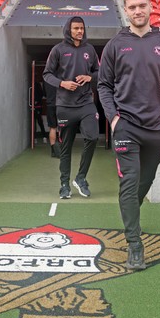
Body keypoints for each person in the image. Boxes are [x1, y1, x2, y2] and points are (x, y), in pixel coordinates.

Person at [98, 0, 160, 270]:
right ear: (126, 10)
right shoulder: (115, 45)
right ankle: (135, 245)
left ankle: (129, 216)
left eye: (141, 5)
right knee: (129, 184)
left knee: (141, 187)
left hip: (157, 130)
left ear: (150, 6)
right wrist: (114, 119)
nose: (137, 11)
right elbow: (103, 85)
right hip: (127, 127)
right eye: (132, 7)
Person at [43, 16, 99, 199]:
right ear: (68, 29)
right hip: (65, 106)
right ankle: (64, 185)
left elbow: (99, 72)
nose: (79, 31)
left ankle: (81, 178)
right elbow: (47, 74)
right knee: (66, 147)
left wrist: (90, 77)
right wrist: (62, 84)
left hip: (86, 103)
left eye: (81, 28)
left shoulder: (89, 50)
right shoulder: (58, 50)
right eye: (76, 28)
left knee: (92, 137)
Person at [42, 80, 60, 158]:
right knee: (62, 127)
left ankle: (53, 151)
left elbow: (44, 93)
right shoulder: (62, 75)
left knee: (52, 128)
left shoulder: (46, 78)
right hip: (61, 104)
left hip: (50, 104)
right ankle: (61, 149)